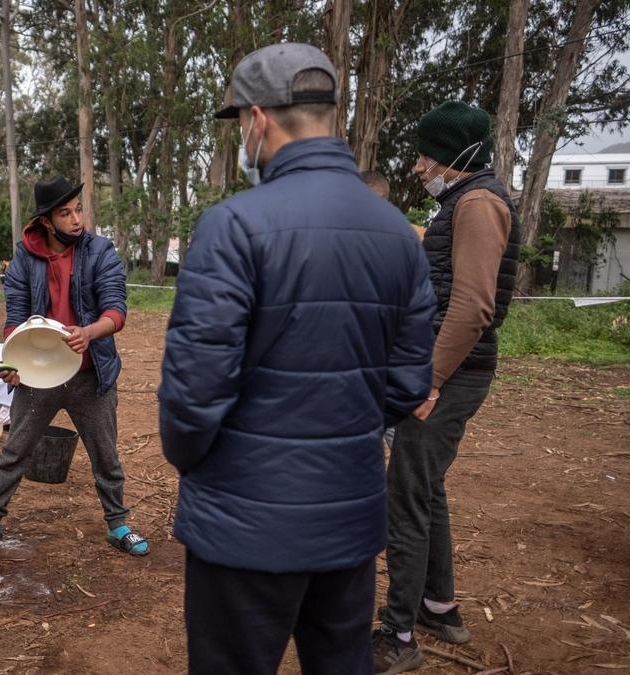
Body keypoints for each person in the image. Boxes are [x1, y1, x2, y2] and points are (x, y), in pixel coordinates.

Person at [159, 44, 437, 675]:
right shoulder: (398, 234)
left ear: (258, 120)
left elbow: (193, 395)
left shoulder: (232, 226)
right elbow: (407, 384)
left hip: (241, 524)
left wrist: (199, 462)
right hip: (349, 519)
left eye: (241, 128)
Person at [373, 101, 521, 675]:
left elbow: (473, 305)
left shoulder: (480, 203)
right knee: (426, 488)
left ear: (457, 155)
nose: (417, 167)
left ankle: (398, 637)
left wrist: (428, 380)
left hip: (452, 375)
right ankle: (440, 606)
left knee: (405, 496)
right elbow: (443, 269)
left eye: (425, 156)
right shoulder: (462, 204)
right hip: (449, 371)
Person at [0, 176, 149, 556]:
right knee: (16, 447)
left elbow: (116, 311)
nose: (77, 220)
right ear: (45, 221)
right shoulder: (24, 258)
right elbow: (16, 318)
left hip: (91, 373)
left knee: (105, 453)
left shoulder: (100, 251)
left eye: (78, 210)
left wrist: (89, 333)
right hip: (39, 374)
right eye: (65, 213)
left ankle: (117, 524)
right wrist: (10, 360)